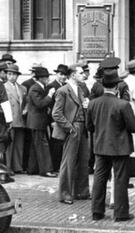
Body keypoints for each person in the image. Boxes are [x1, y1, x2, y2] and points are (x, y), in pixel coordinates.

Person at [88, 69, 135, 222]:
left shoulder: (93, 103)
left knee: (99, 178)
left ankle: (97, 212)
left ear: (103, 86)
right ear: (117, 87)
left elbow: (89, 127)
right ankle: (121, 213)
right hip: (120, 148)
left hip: (101, 146)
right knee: (120, 179)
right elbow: (134, 127)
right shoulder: (123, 105)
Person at [52, 64, 90, 205]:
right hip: (72, 128)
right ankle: (65, 194)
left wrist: (87, 106)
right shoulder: (63, 91)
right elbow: (56, 113)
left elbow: (82, 107)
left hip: (82, 127)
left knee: (83, 160)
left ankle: (82, 191)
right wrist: (70, 128)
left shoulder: (80, 89)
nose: (83, 75)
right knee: (68, 162)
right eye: (80, 73)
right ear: (73, 75)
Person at [26, 67, 57, 177]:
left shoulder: (40, 87)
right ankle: (46, 170)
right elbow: (39, 104)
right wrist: (49, 95)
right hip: (36, 122)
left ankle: (32, 169)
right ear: (40, 78)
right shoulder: (35, 88)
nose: (48, 79)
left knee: (36, 146)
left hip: (38, 121)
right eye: (46, 77)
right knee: (43, 145)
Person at [4, 64, 26, 174]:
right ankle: (8, 168)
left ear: (17, 76)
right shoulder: (3, 87)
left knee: (19, 144)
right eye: (9, 74)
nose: (11, 77)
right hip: (9, 119)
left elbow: (25, 103)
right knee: (9, 145)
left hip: (20, 119)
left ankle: (18, 166)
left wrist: (25, 110)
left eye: (14, 74)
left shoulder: (22, 88)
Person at [47, 64, 68, 172]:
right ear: (57, 74)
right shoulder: (52, 86)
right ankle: (55, 166)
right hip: (54, 120)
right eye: (61, 74)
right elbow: (49, 105)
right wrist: (51, 120)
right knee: (55, 144)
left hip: (63, 118)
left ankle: (60, 165)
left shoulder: (65, 86)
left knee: (62, 144)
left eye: (65, 75)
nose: (63, 77)